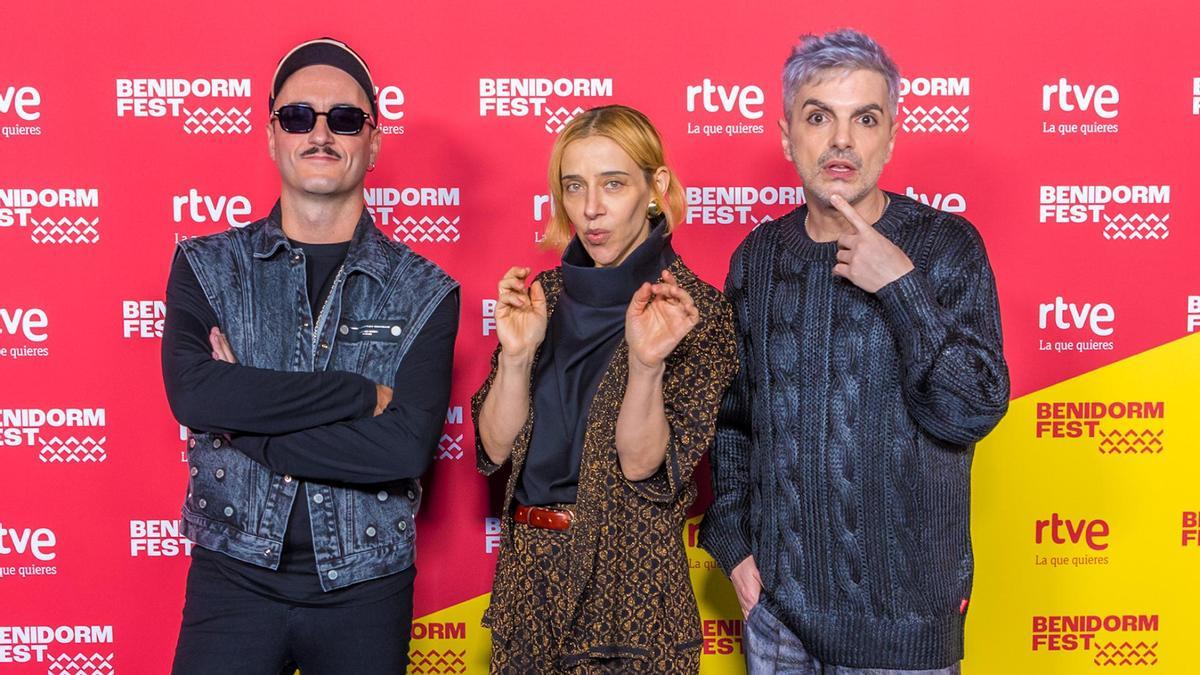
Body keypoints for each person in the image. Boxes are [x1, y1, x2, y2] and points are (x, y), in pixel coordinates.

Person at [700, 29, 1010, 674]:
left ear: (890, 138)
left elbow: (971, 412)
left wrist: (900, 285)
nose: (841, 140)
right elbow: (734, 421)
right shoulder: (757, 259)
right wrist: (733, 544)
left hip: (903, 636)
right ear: (787, 136)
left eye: (865, 119)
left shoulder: (946, 246)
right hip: (779, 626)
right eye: (819, 117)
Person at [161, 37, 459, 674]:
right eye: (297, 117)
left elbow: (402, 450)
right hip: (231, 579)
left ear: (373, 144)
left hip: (367, 589)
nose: (319, 134)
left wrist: (241, 422)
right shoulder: (207, 266)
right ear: (272, 136)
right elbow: (193, 393)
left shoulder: (426, 291)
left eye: (345, 119)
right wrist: (356, 395)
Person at [471, 104, 737, 673]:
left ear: (654, 188)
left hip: (628, 600)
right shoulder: (540, 297)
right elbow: (493, 449)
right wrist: (516, 357)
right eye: (575, 186)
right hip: (526, 590)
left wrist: (646, 365)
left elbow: (643, 465)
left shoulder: (695, 311)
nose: (591, 208)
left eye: (613, 184)